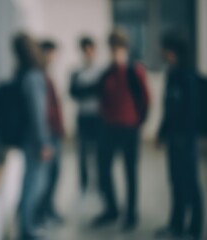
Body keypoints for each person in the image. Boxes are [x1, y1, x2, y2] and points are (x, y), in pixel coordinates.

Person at [92, 29, 150, 231]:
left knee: (130, 171)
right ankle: (111, 209)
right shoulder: (107, 72)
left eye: (118, 48)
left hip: (130, 128)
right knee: (103, 169)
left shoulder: (135, 71)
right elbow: (101, 97)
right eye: (112, 49)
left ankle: (131, 213)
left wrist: (138, 121)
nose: (115, 52)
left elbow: (145, 99)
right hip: (109, 127)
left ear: (125, 49)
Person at [155, 31, 203, 240]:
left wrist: (188, 135)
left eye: (165, 49)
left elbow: (191, 111)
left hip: (187, 139)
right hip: (174, 138)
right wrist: (162, 132)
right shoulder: (171, 74)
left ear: (174, 51)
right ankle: (176, 224)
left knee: (190, 183)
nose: (163, 53)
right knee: (175, 181)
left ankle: (194, 229)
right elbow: (168, 109)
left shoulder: (189, 77)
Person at [13, 33, 54, 240]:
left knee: (31, 181)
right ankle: (27, 229)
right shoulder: (34, 76)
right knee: (35, 183)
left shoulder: (22, 73)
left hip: (28, 137)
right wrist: (44, 143)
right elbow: (38, 113)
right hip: (35, 139)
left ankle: (27, 223)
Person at [37, 40, 66, 224]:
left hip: (54, 132)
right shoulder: (38, 76)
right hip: (48, 135)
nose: (53, 57)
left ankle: (49, 209)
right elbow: (41, 111)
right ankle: (43, 212)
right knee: (47, 177)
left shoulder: (47, 74)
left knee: (55, 174)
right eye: (51, 53)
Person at [70, 36, 102, 195]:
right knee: (82, 153)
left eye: (91, 49)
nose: (88, 53)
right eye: (85, 50)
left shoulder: (101, 71)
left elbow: (103, 92)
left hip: (99, 117)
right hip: (83, 117)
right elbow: (74, 93)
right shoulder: (77, 71)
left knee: (99, 153)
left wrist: (86, 90)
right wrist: (92, 89)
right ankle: (84, 184)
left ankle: (100, 184)